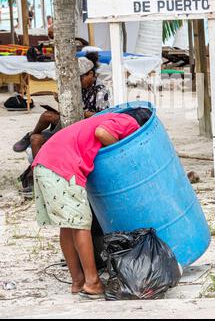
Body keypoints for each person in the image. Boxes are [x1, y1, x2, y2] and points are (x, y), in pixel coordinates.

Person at [31, 109, 151, 298]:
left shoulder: (105, 117)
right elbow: (102, 134)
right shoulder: (129, 122)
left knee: (68, 225)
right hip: (63, 167)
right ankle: (93, 282)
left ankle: (78, 281)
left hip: (45, 163)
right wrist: (122, 153)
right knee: (81, 225)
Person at [13, 52, 110, 192]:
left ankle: (34, 174)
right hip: (73, 123)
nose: (78, 81)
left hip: (83, 129)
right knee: (36, 138)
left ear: (90, 74)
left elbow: (103, 117)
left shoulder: (100, 91)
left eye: (81, 78)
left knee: (47, 116)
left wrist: (82, 113)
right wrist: (62, 101)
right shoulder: (81, 88)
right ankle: (36, 176)